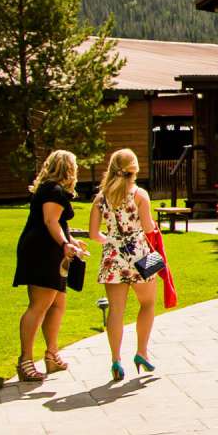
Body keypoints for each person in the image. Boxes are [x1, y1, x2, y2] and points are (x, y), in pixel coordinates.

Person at [91, 148, 163, 384]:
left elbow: (94, 233)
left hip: (113, 257)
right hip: (141, 254)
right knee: (148, 303)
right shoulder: (140, 194)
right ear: (134, 168)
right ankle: (142, 352)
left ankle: (115, 359)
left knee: (116, 311)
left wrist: (110, 241)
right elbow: (149, 227)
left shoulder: (101, 198)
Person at [11, 150, 83, 384]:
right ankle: (25, 361)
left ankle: (52, 354)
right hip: (42, 251)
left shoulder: (54, 190)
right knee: (39, 305)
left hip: (51, 251)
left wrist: (71, 242)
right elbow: (50, 221)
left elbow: (59, 222)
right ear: (68, 169)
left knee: (58, 303)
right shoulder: (53, 190)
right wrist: (64, 243)